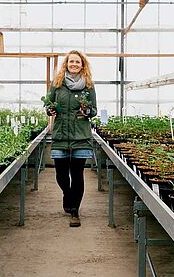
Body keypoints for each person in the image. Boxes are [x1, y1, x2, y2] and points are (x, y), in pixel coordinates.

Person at [45, 50, 97, 227]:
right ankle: (67, 195)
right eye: (71, 61)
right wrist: (50, 110)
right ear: (66, 64)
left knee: (77, 174)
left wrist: (87, 111)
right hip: (61, 133)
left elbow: (94, 110)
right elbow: (48, 104)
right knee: (60, 174)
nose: (74, 64)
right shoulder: (57, 83)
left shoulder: (88, 85)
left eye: (77, 62)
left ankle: (75, 211)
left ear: (83, 65)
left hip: (80, 135)